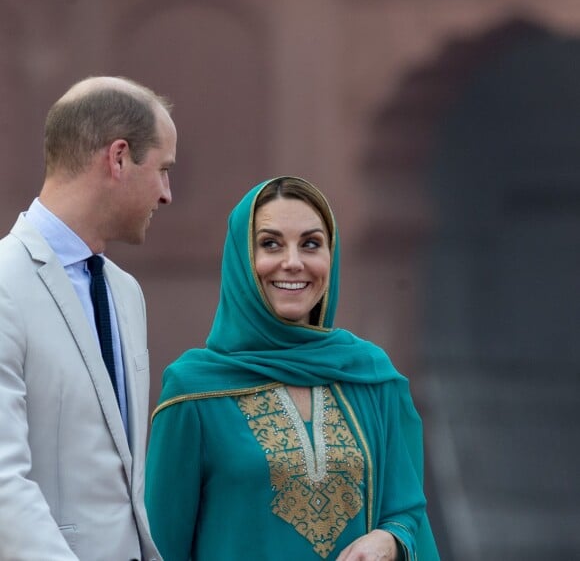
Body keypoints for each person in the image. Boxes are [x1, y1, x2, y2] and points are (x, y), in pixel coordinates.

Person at [145, 176, 439, 561]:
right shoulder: (194, 391)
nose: (293, 262)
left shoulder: (369, 376)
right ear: (241, 260)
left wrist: (389, 539)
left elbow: (406, 510)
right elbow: (160, 547)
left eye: (311, 244)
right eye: (270, 244)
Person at [0, 76, 177, 560]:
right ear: (118, 158)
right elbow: (2, 484)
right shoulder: (4, 284)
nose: (166, 194)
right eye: (162, 169)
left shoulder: (124, 293)